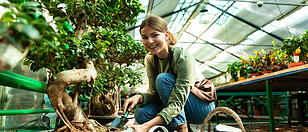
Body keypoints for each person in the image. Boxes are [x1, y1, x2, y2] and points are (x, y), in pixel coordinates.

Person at [123, 15, 215, 132]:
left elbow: (177, 101)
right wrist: (139, 97)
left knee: (163, 79)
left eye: (155, 35)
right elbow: (154, 93)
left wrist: (146, 126)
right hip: (178, 107)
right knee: (141, 113)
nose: (150, 41)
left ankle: (182, 129)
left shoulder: (182, 57)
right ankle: (179, 127)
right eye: (145, 37)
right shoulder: (150, 59)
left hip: (200, 108)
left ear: (166, 35)